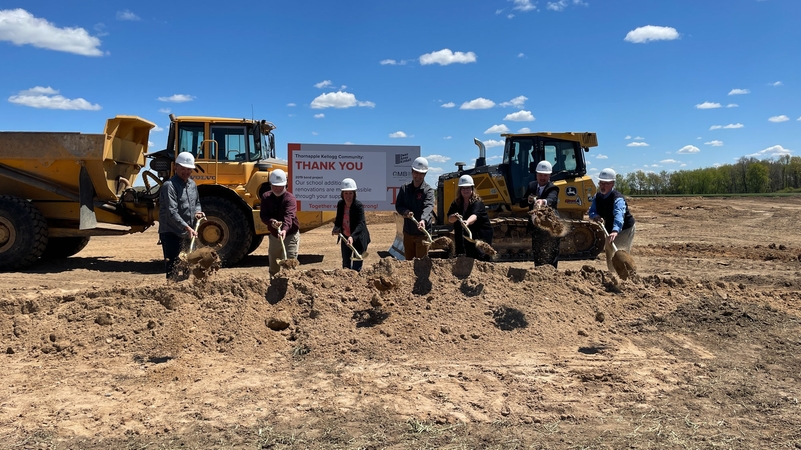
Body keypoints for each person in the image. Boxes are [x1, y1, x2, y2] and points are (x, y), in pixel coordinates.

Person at [158, 152, 204, 281]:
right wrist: (187, 227)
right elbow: (171, 211)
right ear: (175, 167)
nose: (186, 172)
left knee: (187, 264)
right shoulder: (169, 186)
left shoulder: (192, 185)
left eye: (188, 169)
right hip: (171, 231)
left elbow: (197, 203)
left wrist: (198, 212)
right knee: (172, 264)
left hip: (187, 232)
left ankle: (184, 291)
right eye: (183, 168)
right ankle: (171, 291)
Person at [588, 167, 636, 273]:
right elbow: (591, 211)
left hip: (624, 229)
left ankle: (626, 276)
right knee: (609, 253)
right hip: (609, 228)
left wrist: (615, 230)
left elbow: (619, 215)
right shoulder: (598, 197)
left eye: (606, 183)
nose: (603, 186)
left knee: (620, 253)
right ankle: (612, 275)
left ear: (612, 184)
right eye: (601, 183)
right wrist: (595, 216)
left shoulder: (617, 199)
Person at [260, 169, 300, 277]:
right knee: (274, 266)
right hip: (274, 236)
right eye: (274, 186)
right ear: (270, 184)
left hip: (290, 234)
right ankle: (274, 288)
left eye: (280, 186)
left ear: (285, 185)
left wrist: (284, 230)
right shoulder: (266, 197)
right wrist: (271, 221)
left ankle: (289, 288)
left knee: (289, 264)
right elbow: (263, 215)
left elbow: (289, 216)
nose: (277, 188)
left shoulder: (290, 198)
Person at [521, 161, 561, 268]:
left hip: (550, 225)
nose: (542, 177)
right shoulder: (531, 185)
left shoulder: (553, 188)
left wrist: (543, 201)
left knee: (551, 252)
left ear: (549, 176)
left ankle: (552, 274)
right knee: (538, 251)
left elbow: (552, 199)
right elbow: (522, 203)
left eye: (545, 175)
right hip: (536, 226)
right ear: (536, 175)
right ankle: (539, 272)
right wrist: (529, 200)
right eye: (540, 175)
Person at [395, 156, 435, 260]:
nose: (418, 176)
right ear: (412, 172)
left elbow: (429, 206)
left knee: (421, 263)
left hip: (422, 234)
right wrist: (405, 211)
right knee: (408, 262)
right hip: (408, 232)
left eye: (421, 173)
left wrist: (423, 219)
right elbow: (398, 205)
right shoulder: (405, 188)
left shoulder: (428, 190)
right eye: (416, 172)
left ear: (425, 174)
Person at [447, 175, 493, 260]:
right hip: (464, 238)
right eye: (463, 188)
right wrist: (454, 217)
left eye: (468, 188)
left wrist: (467, 222)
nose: (465, 190)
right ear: (460, 190)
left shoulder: (477, 203)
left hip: (480, 236)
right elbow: (450, 219)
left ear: (472, 189)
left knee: (480, 259)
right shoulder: (456, 203)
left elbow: (474, 215)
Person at [333, 178, 370, 271]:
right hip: (345, 238)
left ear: (354, 194)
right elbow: (338, 220)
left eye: (350, 193)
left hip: (358, 238)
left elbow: (361, 224)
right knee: (346, 264)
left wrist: (352, 237)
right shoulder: (340, 204)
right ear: (342, 194)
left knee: (357, 266)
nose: (348, 196)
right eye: (346, 193)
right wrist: (336, 228)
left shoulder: (358, 206)